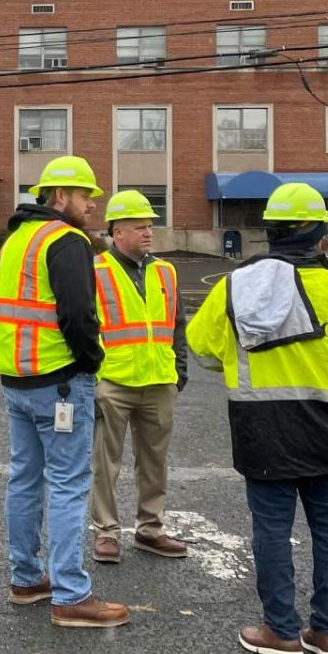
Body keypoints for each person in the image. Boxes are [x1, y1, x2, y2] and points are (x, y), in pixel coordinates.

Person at [187, 181, 328, 654]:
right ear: (320, 235)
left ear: (270, 233)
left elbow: (201, 350)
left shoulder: (236, 287)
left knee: (272, 530)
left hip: (263, 429)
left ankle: (280, 631)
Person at [0, 155, 128, 629]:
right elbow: (78, 315)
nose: (93, 204)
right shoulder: (66, 240)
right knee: (70, 485)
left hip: (18, 379)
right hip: (61, 382)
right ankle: (71, 595)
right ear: (60, 196)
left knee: (25, 479)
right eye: (86, 195)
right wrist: (91, 362)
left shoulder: (17, 238)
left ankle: (26, 579)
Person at [89, 190, 189, 564]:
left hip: (159, 380)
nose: (148, 233)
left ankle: (150, 529)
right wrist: (94, 378)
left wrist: (178, 370)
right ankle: (106, 532)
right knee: (106, 463)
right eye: (139, 227)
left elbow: (177, 324)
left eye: (150, 226)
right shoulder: (95, 271)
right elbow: (84, 327)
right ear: (117, 232)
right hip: (113, 381)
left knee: (155, 462)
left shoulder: (166, 271)